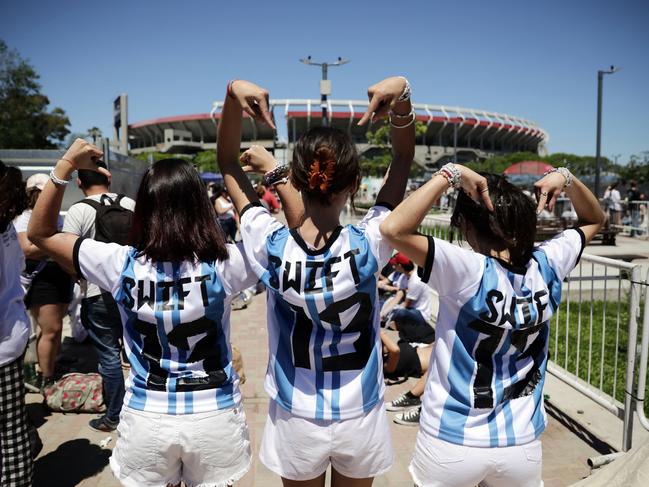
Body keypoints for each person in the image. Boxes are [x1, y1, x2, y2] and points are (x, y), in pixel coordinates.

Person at [28, 140, 262, 487]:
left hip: (147, 416)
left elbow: (40, 233)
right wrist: (268, 173)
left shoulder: (119, 264)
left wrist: (64, 167)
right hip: (214, 414)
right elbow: (273, 238)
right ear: (200, 206)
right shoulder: (223, 263)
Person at [217, 76, 414, 486]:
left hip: (296, 414)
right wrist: (401, 99)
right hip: (361, 412)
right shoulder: (371, 241)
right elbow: (403, 157)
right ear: (355, 186)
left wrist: (232, 96)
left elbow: (228, 163)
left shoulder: (271, 245)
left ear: (297, 182)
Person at [380, 163, 605, 487]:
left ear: (469, 226)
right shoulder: (548, 263)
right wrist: (567, 178)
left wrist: (450, 175)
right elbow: (595, 219)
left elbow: (393, 229)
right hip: (521, 441)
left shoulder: (467, 268)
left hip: (452, 437)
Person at [62, 165, 135, 432]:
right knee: (136, 351)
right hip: (131, 290)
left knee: (109, 357)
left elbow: (68, 253)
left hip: (96, 293)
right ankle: (142, 408)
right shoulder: (129, 203)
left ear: (79, 182)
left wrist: (78, 277)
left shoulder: (78, 210)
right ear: (108, 178)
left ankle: (113, 416)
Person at [14, 173, 73, 391]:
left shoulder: (56, 215)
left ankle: (49, 367)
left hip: (59, 274)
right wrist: (54, 242)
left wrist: (51, 243)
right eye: (44, 191)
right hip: (40, 278)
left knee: (53, 330)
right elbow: (27, 249)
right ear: (33, 194)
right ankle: (46, 379)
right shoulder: (25, 217)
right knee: (51, 329)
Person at [0, 161, 33, 486]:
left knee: (10, 431)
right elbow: (20, 273)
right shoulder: (6, 227)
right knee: (11, 429)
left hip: (4, 341)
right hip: (12, 335)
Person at [386, 258, 435, 345]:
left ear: (400, 266)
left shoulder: (416, 280)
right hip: (410, 308)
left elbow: (406, 304)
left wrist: (390, 310)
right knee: (389, 305)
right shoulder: (404, 276)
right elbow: (399, 294)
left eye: (395, 265)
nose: (393, 267)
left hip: (421, 314)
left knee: (399, 312)